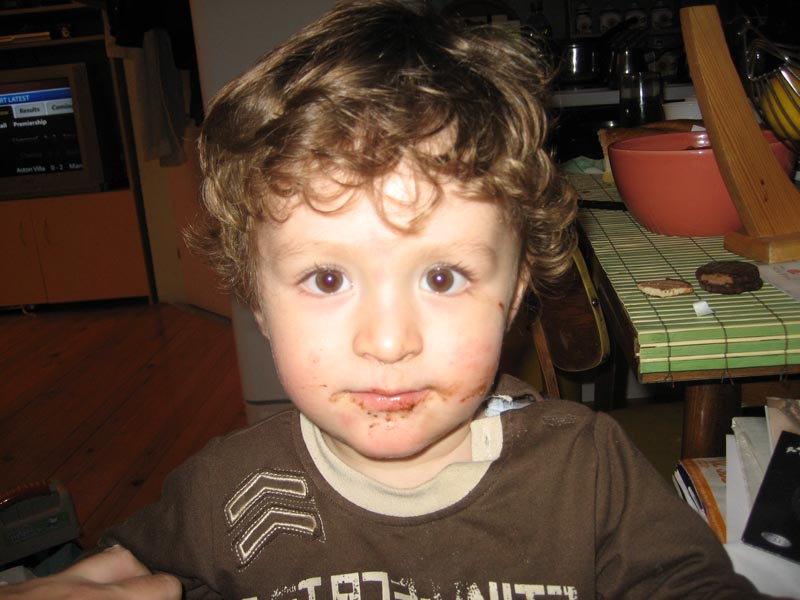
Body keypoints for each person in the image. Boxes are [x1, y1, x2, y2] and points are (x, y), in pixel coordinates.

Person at [0, 1, 786, 598]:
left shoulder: (588, 472)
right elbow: (119, 571)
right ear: (258, 299)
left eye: (442, 277)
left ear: (516, 294)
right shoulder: (222, 494)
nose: (386, 342)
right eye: (327, 278)